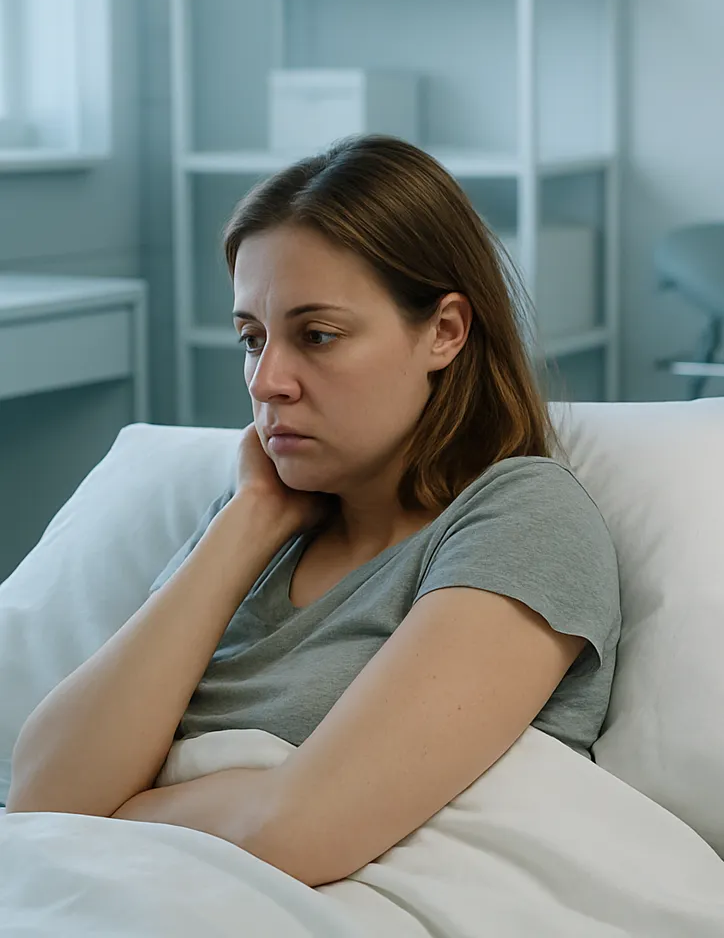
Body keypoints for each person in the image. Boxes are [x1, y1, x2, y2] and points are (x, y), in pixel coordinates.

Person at [6, 136, 621, 887]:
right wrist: (246, 526)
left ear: (445, 331)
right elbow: (41, 793)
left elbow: (300, 833)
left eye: (317, 336)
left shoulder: (522, 515)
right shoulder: (248, 526)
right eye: (251, 339)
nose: (267, 382)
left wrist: (116, 811)